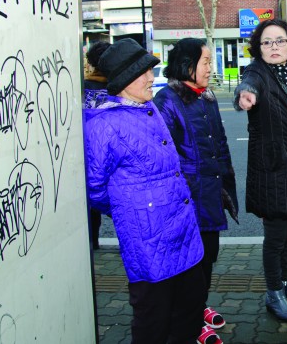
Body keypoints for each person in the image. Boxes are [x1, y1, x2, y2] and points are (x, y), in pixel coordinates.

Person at [84, 38, 206, 343]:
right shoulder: (103, 125)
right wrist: (133, 208)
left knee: (188, 311)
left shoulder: (148, 107)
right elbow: (95, 188)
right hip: (147, 237)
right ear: (123, 81)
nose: (152, 78)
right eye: (143, 73)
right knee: (154, 318)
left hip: (183, 229)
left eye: (151, 71)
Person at [154, 38, 239, 344]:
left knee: (207, 256)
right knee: (189, 262)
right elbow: (163, 159)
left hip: (211, 192)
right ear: (187, 65)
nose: (210, 67)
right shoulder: (167, 101)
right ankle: (190, 320)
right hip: (185, 199)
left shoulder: (207, 97)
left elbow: (222, 144)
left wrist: (226, 183)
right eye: (205, 61)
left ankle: (198, 305)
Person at [234, 19, 287, 322]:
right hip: (271, 168)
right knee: (275, 235)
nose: (274, 47)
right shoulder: (256, 73)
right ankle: (274, 292)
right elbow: (247, 87)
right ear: (258, 47)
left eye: (279, 41)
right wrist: (245, 96)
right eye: (267, 42)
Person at [83, 41, 111, 250]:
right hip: (113, 152)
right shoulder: (118, 88)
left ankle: (92, 241)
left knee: (90, 202)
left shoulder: (82, 89)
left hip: (87, 152)